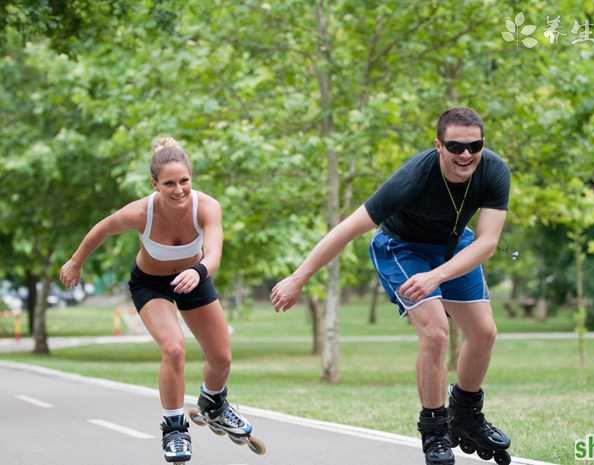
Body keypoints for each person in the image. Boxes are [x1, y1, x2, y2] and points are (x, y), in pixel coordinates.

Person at [270, 107, 512, 465]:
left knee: (485, 333)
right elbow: (349, 228)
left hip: (454, 246)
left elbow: (487, 243)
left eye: (474, 147)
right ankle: (435, 430)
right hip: (402, 248)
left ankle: (465, 414)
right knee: (436, 333)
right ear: (438, 145)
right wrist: (298, 277)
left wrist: (437, 275)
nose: (466, 155)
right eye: (455, 147)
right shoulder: (413, 178)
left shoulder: (493, 170)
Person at [59, 137, 254, 464]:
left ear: (191, 177)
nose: (178, 190)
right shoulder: (139, 212)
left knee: (221, 358)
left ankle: (214, 403)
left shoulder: (207, 206)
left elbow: (216, 252)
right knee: (174, 348)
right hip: (152, 285)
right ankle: (175, 428)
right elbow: (102, 230)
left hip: (196, 277)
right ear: (154, 184)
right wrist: (75, 262)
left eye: (184, 181)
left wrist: (199, 269)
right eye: (169, 184)